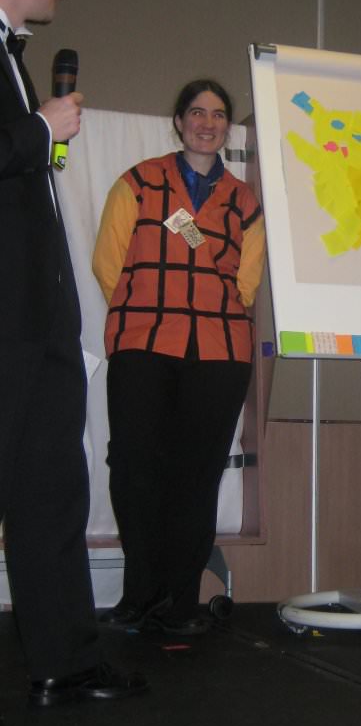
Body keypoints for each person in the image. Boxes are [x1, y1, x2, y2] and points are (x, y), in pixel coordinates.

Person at [0, 0, 147, 705]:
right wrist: (38, 129)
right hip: (5, 325)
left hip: (38, 320)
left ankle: (65, 659)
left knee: (54, 493)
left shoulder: (13, 58)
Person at [93, 78, 266, 636]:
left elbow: (246, 284)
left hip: (219, 353)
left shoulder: (244, 202)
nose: (206, 123)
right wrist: (148, 308)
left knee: (197, 474)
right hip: (143, 344)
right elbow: (108, 263)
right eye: (196, 112)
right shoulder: (138, 182)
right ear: (178, 121)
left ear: (227, 127)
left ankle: (181, 603)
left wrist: (205, 312)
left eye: (217, 115)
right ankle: (140, 596)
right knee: (134, 467)